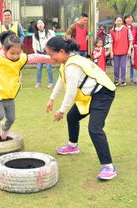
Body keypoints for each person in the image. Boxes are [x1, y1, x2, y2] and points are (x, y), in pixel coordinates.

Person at [45, 37, 117, 180]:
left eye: (51, 54)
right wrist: (52, 99)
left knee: (94, 128)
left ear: (61, 51)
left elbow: (71, 93)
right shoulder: (66, 62)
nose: (50, 58)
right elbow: (61, 81)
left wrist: (61, 111)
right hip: (91, 94)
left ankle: (109, 166)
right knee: (73, 117)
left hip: (103, 93)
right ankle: (73, 146)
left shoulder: (72, 67)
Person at [0, 31, 54, 139]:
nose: (15, 56)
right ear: (4, 50)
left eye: (18, 53)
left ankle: (5, 128)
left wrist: (53, 59)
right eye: (12, 53)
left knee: (11, 118)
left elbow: (36, 57)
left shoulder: (21, 58)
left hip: (10, 94)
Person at [109, 16, 133, 86]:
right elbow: (111, 42)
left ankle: (123, 80)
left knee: (123, 66)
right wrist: (111, 51)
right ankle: (116, 80)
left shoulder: (126, 29)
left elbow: (131, 39)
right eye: (117, 21)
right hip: (116, 52)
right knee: (116, 66)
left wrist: (129, 50)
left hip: (124, 51)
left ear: (122, 21)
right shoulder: (112, 31)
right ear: (115, 22)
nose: (119, 22)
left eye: (120, 21)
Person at [32, 19, 55, 88]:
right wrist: (35, 53)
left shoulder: (50, 32)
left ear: (44, 24)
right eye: (38, 23)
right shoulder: (35, 35)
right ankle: (38, 82)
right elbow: (34, 44)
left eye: (41, 23)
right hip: (39, 53)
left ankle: (51, 82)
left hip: (48, 53)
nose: (40, 24)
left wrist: (52, 51)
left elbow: (54, 40)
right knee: (39, 68)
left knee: (49, 67)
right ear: (36, 26)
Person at [124, 14, 137, 84]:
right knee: (125, 64)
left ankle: (132, 78)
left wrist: (133, 45)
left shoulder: (134, 28)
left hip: (133, 48)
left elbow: (135, 37)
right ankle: (124, 78)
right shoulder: (123, 27)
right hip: (125, 47)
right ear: (125, 19)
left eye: (131, 18)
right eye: (128, 18)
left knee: (132, 63)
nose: (130, 19)